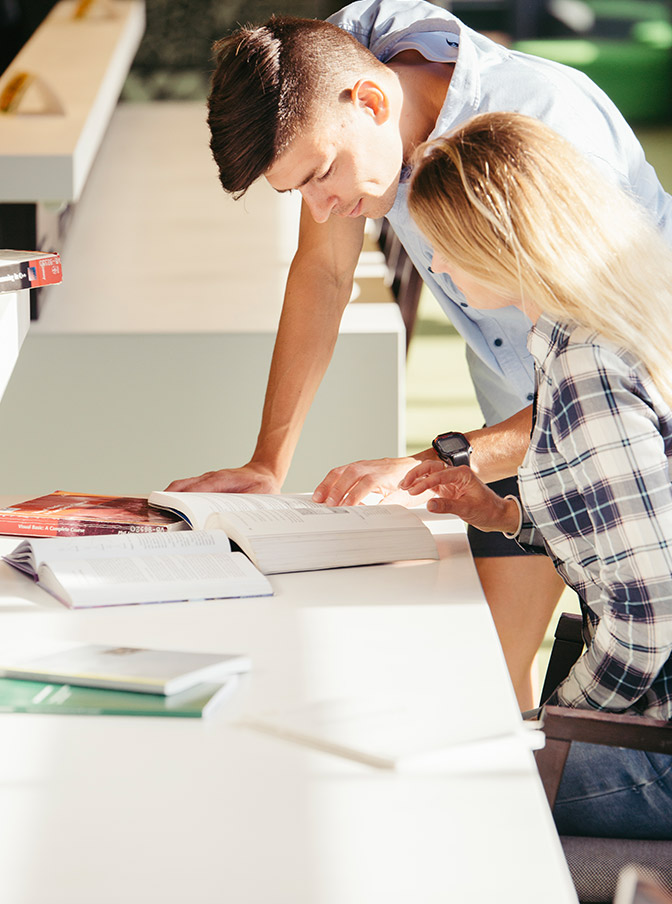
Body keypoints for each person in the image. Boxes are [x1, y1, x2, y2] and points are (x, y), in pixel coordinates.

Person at [167, 0, 672, 709]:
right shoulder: (334, 65)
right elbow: (323, 273)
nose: (320, 207)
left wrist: (435, 463)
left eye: (321, 176)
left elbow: (613, 384)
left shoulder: (546, 138)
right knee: (490, 682)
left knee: (583, 682)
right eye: (297, 192)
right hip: (519, 418)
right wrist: (267, 462)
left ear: (372, 101)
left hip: (626, 417)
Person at [400, 110, 672, 838]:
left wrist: (555, 726)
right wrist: (500, 515)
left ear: (498, 241)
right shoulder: (601, 324)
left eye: (446, 248)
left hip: (658, 747)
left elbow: (651, 612)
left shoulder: (588, 367)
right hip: (649, 715)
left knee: (415, 786)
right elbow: (630, 526)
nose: (443, 270)